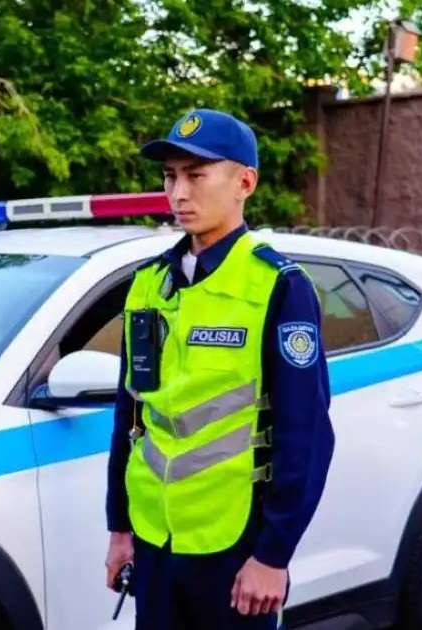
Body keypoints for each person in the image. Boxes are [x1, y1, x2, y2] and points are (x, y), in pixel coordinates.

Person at [104, 109, 336, 629]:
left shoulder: (277, 286)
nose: (178, 193)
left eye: (195, 175)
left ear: (244, 182)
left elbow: (308, 436)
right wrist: (120, 528)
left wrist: (273, 557)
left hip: (235, 549)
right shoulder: (147, 284)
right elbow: (130, 417)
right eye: (169, 176)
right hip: (155, 539)